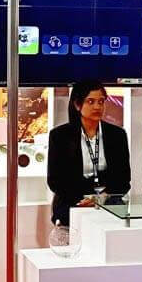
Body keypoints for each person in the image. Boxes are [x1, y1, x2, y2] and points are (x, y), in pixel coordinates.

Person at [46, 80, 130, 227]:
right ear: (77, 105)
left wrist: (102, 198)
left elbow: (123, 180)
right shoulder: (60, 136)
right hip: (72, 204)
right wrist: (85, 199)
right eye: (90, 101)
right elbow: (55, 181)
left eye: (101, 101)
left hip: (108, 203)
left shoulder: (117, 135)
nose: (97, 107)